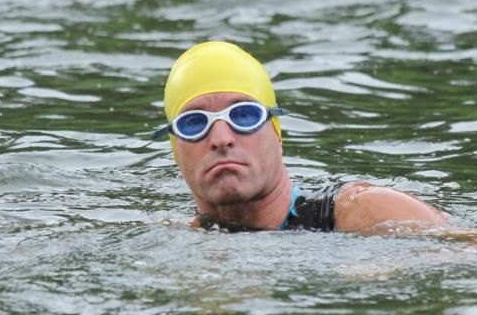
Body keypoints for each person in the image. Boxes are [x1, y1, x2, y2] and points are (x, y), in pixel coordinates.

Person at [151, 41, 450, 234]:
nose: (220, 138)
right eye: (193, 123)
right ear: (176, 150)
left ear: (277, 134)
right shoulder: (176, 240)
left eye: (244, 116)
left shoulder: (366, 212)